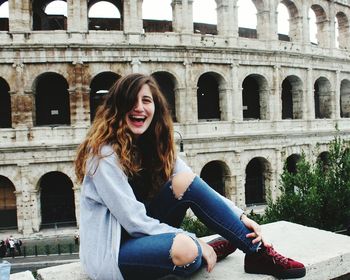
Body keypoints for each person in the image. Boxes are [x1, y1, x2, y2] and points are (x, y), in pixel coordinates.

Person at [75, 73, 306, 280]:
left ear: (156, 107)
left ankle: (257, 253)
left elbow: (195, 184)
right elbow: (134, 221)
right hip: (114, 249)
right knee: (187, 250)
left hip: (146, 236)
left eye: (146, 101)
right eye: (131, 102)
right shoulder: (103, 155)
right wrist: (197, 241)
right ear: (117, 107)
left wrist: (240, 217)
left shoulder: (155, 144)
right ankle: (205, 251)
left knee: (184, 181)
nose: (139, 108)